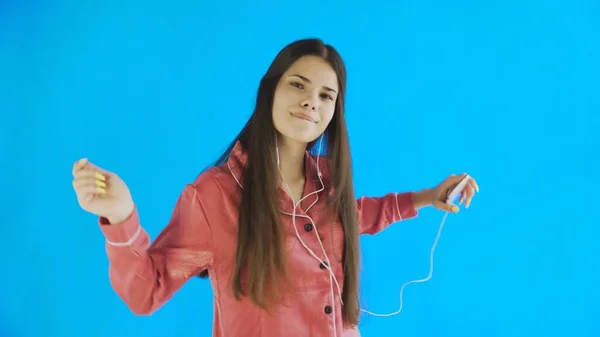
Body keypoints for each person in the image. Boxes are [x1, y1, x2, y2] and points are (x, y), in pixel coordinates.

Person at [71, 38, 478, 337]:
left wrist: (427, 197)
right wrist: (122, 217)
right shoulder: (214, 195)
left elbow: (357, 216)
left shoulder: (327, 181)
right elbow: (147, 291)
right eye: (297, 85)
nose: (311, 102)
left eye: (326, 95)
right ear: (271, 91)